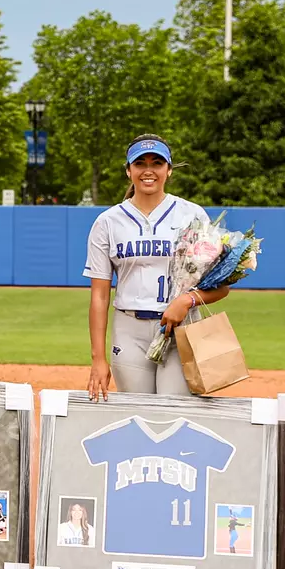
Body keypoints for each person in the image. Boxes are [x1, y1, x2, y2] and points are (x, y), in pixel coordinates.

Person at [83, 136, 225, 400]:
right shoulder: (108, 222)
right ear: (129, 170)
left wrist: (187, 300)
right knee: (138, 414)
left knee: (174, 412)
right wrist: (97, 359)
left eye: (157, 163)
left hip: (180, 328)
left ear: (168, 170)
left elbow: (221, 287)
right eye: (140, 163)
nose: (148, 170)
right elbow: (100, 296)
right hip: (129, 331)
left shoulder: (191, 214)